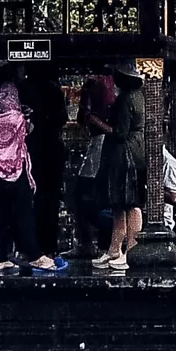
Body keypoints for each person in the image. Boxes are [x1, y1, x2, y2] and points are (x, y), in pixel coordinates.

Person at [0, 71, 43, 273]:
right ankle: (33, 253)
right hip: (9, 160)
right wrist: (24, 118)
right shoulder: (7, 93)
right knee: (22, 205)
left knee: (0, 209)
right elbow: (12, 121)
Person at [68, 66, 119, 271]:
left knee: (101, 199)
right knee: (82, 196)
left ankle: (107, 245)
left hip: (106, 146)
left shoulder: (112, 88)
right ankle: (87, 242)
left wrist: (95, 119)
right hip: (96, 145)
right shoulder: (96, 85)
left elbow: (116, 130)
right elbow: (82, 118)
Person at [103, 59, 148, 275]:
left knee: (127, 202)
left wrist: (98, 122)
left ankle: (130, 248)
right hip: (137, 150)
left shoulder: (125, 100)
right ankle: (115, 248)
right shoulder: (140, 98)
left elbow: (119, 132)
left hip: (125, 154)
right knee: (126, 202)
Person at [23, 60, 68, 265]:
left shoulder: (25, 87)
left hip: (30, 149)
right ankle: (49, 247)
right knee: (50, 200)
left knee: (30, 200)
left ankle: (30, 247)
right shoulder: (54, 89)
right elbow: (62, 118)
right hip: (52, 149)